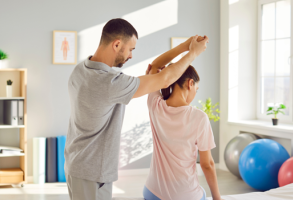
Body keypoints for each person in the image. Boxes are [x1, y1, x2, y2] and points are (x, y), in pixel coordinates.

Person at [65, 18, 209, 200]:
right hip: (91, 172)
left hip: (77, 164)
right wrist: (192, 53)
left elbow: (158, 71)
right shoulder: (108, 83)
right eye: (131, 49)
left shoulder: (81, 69)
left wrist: (185, 46)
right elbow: (164, 79)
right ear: (117, 44)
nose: (131, 56)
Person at [143, 59, 223, 199]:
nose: (195, 94)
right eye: (196, 90)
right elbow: (207, 164)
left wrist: (156, 74)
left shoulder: (154, 104)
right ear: (190, 83)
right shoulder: (199, 117)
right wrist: (217, 198)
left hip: (152, 193)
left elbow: (153, 69)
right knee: (201, 193)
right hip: (184, 195)